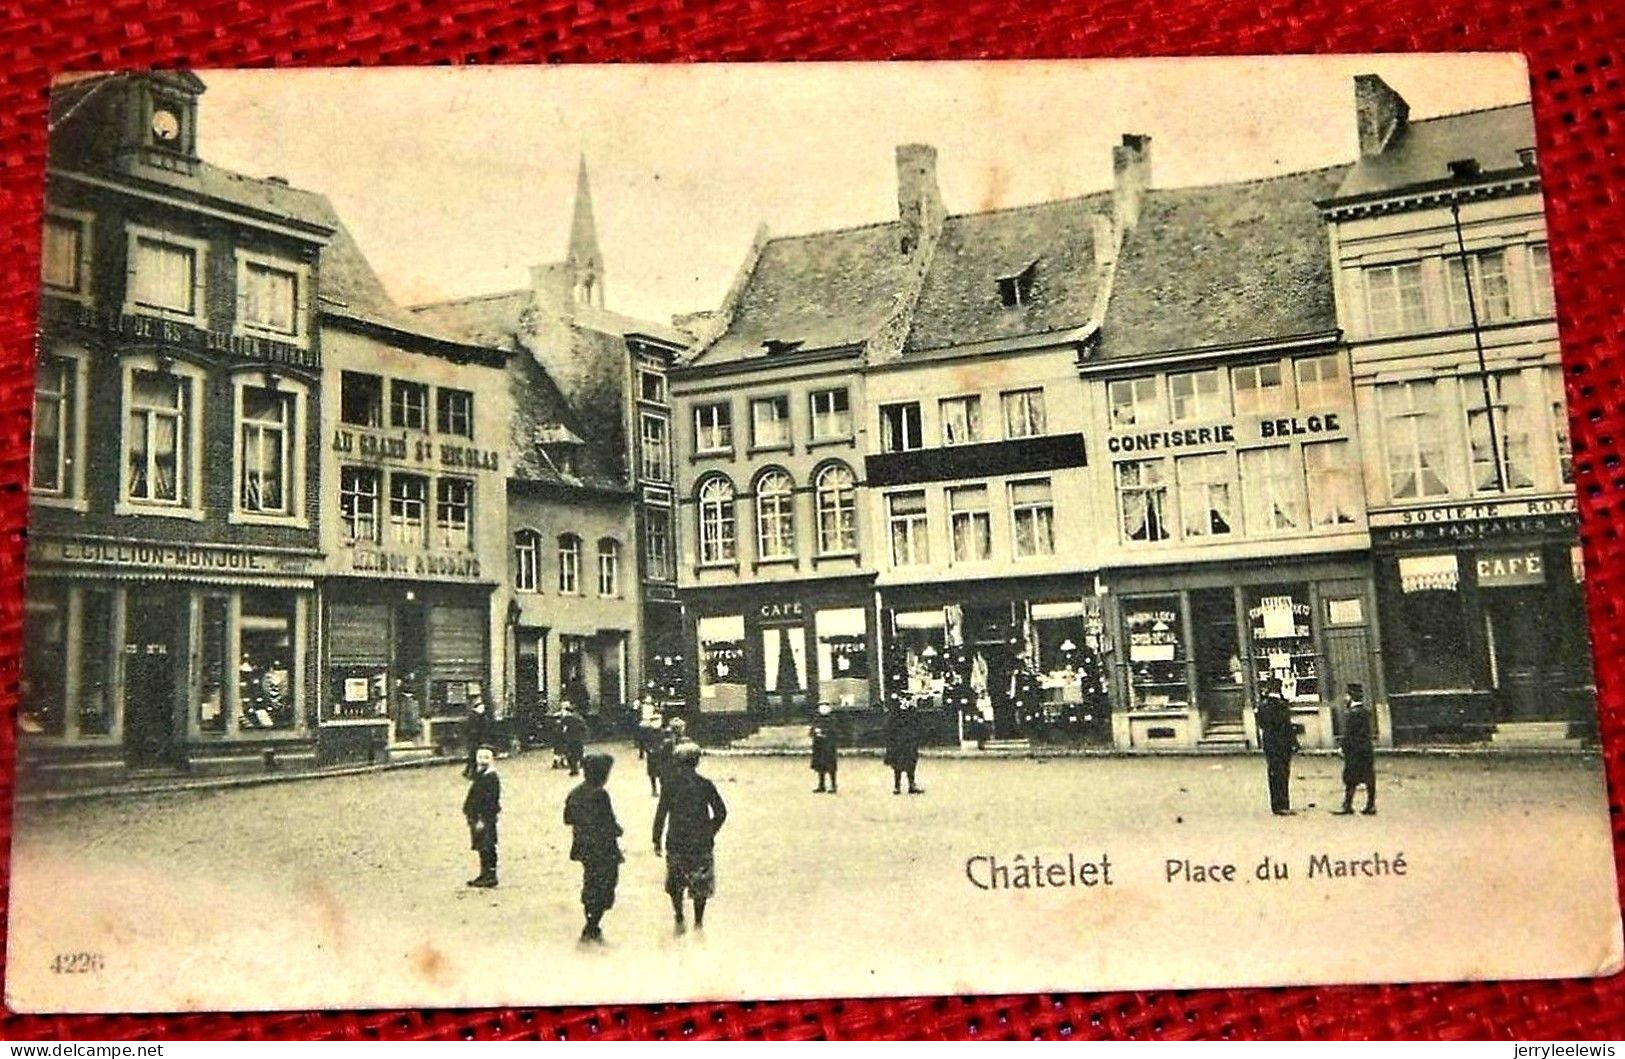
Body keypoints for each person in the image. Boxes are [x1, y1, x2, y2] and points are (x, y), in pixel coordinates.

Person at [652, 741, 727, 933]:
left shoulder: (670, 785)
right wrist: (710, 831)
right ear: (696, 761)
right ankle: (698, 921)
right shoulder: (705, 784)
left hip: (676, 838)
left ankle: (679, 915)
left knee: (676, 880)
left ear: (677, 761)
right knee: (700, 881)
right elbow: (721, 812)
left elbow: (661, 813)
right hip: (700, 840)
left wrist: (656, 839)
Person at [564, 752, 624, 943]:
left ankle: (591, 923)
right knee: (606, 885)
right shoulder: (600, 794)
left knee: (591, 883)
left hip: (584, 847)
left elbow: (567, 819)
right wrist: (618, 830)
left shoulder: (574, 792)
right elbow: (609, 823)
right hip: (603, 848)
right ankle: (591, 926)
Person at [1256, 675, 1300, 816]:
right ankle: (1284, 803)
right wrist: (1295, 743)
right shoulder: (1282, 705)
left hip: (1270, 744)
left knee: (1274, 773)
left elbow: (1261, 724)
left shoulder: (1263, 706)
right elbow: (1287, 726)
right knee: (1283, 774)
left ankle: (1276, 804)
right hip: (1283, 744)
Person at [1334, 683, 1377, 816]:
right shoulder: (1365, 712)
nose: (1345, 698)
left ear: (1351, 697)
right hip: (1365, 749)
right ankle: (1370, 805)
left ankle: (1348, 805)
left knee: (1351, 778)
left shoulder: (1353, 714)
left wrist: (1343, 748)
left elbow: (1349, 735)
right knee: (1368, 777)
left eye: (1347, 695)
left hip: (1354, 751)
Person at [462, 744, 501, 888]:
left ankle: (490, 875)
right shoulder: (481, 775)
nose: (483, 760)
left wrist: (481, 819)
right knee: (481, 846)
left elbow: (490, 801)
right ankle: (484, 873)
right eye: (480, 757)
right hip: (477, 817)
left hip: (484, 818)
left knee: (487, 845)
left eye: (486, 757)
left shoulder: (491, 777)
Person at [884, 700, 923, 795]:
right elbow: (888, 728)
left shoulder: (912, 712)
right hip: (898, 742)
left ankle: (911, 784)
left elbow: (918, 725)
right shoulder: (894, 713)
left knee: (911, 763)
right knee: (897, 765)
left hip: (909, 741)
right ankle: (897, 786)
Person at [647, 716, 682, 797]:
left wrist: (663, 748)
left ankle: (663, 790)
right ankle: (654, 789)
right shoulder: (648, 732)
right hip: (652, 756)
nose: (655, 723)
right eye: (653, 721)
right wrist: (649, 750)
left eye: (657, 720)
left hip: (661, 755)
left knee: (662, 773)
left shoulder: (664, 732)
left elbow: (667, 742)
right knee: (652, 773)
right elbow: (645, 742)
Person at [462, 690, 494, 779]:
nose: (482, 709)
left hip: (478, 738)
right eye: (481, 708)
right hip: (474, 738)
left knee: (474, 756)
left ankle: (469, 772)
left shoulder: (481, 716)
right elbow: (470, 728)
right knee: (474, 756)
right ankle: (472, 773)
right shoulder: (473, 716)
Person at [809, 703, 840, 793]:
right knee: (819, 766)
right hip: (818, 745)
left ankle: (833, 786)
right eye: (821, 708)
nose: (823, 710)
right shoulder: (817, 719)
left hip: (829, 745)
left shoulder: (832, 719)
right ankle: (821, 785)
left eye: (825, 708)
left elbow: (835, 731)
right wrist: (815, 732)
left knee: (830, 765)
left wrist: (823, 732)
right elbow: (811, 731)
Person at [559, 706, 588, 777]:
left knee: (570, 754)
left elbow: (563, 729)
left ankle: (574, 770)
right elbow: (584, 728)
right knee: (579, 753)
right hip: (579, 738)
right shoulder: (578, 717)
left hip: (571, 739)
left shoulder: (567, 718)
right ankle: (584, 765)